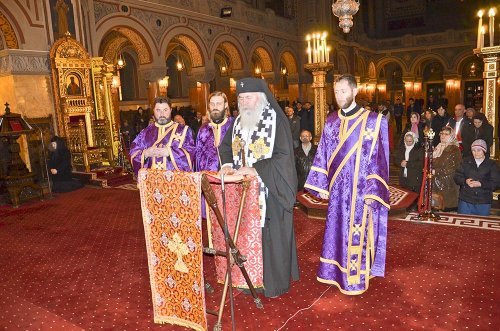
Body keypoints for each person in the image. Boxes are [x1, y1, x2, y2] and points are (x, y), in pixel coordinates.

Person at [305, 74, 390, 295]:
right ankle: (332, 272)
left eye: (344, 90)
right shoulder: (331, 120)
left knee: (355, 234)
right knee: (335, 231)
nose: (339, 95)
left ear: (354, 91)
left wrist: (373, 190)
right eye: (337, 91)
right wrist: (320, 185)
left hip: (359, 191)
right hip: (337, 191)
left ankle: (354, 277)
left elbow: (378, 159)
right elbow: (323, 153)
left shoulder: (372, 120)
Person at [219, 77, 299, 298]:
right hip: (242, 192)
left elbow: (283, 157)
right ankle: (249, 280)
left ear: (261, 98)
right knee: (245, 236)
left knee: (269, 238)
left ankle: (272, 283)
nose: (244, 102)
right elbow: (225, 147)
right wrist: (226, 166)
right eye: (241, 98)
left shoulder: (276, 121)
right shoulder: (236, 122)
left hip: (269, 191)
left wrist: (256, 169)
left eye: (248, 97)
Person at [129, 96, 195, 176]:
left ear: (170, 110)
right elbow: (133, 153)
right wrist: (146, 153)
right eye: (158, 110)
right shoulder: (145, 133)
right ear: (153, 111)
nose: (162, 114)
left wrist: (170, 153)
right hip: (152, 182)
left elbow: (191, 154)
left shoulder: (183, 130)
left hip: (176, 182)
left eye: (165, 110)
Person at [454, 139, 500, 216]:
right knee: (463, 225)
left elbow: (496, 183)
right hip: (466, 200)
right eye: (473, 150)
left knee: (480, 226)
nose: (476, 153)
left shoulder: (491, 164)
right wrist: (465, 181)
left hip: (483, 201)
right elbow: (457, 176)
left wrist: (481, 184)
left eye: (479, 150)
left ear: (484, 150)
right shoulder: (465, 161)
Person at [195, 91, 233, 172]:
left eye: (219, 104)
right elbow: (198, 156)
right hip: (207, 177)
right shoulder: (203, 129)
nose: (215, 107)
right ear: (209, 106)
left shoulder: (233, 125)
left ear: (225, 105)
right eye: (212, 104)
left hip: (229, 176)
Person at [432, 126, 462, 211]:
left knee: (446, 210)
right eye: (442, 133)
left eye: (446, 134)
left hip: (448, 184)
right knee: (436, 207)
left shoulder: (454, 149)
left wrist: (435, 171)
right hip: (436, 182)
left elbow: (451, 168)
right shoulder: (438, 147)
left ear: (451, 136)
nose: (443, 136)